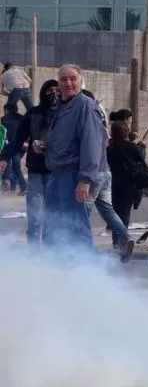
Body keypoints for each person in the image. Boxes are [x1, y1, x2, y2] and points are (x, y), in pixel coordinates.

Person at [43, 65, 109, 250]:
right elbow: (67, 140)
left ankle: (84, 272)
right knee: (52, 225)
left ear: (81, 80)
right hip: (57, 174)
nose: (68, 83)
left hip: (73, 176)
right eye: (63, 79)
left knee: (75, 228)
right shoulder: (61, 106)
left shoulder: (86, 106)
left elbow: (92, 144)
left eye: (72, 78)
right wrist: (45, 147)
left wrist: (85, 180)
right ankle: (51, 269)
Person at [0, 79, 57, 241]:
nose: (53, 93)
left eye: (56, 89)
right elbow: (18, 140)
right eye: (49, 90)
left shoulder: (66, 113)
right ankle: (32, 257)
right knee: (35, 216)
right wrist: (4, 158)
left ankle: (49, 253)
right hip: (36, 172)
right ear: (43, 93)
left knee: (53, 218)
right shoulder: (33, 114)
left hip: (58, 172)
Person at [0, 103, 26, 194]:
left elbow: (3, 134)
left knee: (16, 166)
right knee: (15, 166)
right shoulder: (22, 118)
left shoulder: (3, 119)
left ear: (7, 110)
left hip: (12, 146)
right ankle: (13, 186)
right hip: (23, 145)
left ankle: (23, 187)